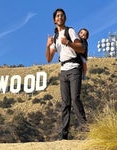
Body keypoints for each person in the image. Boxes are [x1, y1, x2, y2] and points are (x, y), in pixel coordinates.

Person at [46, 8, 87, 140]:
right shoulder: (56, 37)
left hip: (74, 68)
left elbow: (81, 48)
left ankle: (86, 131)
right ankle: (63, 135)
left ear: (65, 18)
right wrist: (48, 46)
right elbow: (48, 58)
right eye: (57, 16)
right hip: (63, 70)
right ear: (54, 20)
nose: (60, 17)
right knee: (65, 103)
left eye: (62, 16)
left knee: (75, 99)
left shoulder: (70, 31)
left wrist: (68, 42)